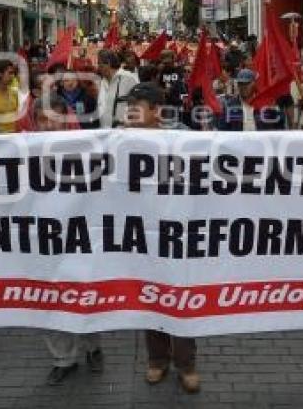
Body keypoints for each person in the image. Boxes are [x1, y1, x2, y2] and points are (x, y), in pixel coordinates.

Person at [124, 82, 199, 393]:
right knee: (150, 297)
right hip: (140, 231)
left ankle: (187, 364)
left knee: (179, 296)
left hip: (176, 228)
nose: (129, 113)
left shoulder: (181, 136)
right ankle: (157, 361)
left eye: (136, 107)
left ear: (155, 111)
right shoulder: (119, 139)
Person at [34, 94, 104, 385]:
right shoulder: (21, 150)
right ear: (35, 122)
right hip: (42, 236)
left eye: (55, 117)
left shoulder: (87, 147)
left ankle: (93, 346)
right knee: (49, 298)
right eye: (43, 119)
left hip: (81, 234)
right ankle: (63, 359)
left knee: (84, 293)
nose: (49, 124)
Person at [215, 69, 285, 131]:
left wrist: (276, 109)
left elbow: (280, 125)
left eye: (247, 83)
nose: (243, 87)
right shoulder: (230, 106)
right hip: (239, 143)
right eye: (241, 84)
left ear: (254, 84)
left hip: (262, 142)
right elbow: (222, 130)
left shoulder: (265, 103)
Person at [97, 50, 138, 128]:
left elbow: (139, 104)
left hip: (123, 133)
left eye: (100, 64)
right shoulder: (102, 82)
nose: (98, 67)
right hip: (104, 131)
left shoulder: (128, 78)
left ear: (108, 63)